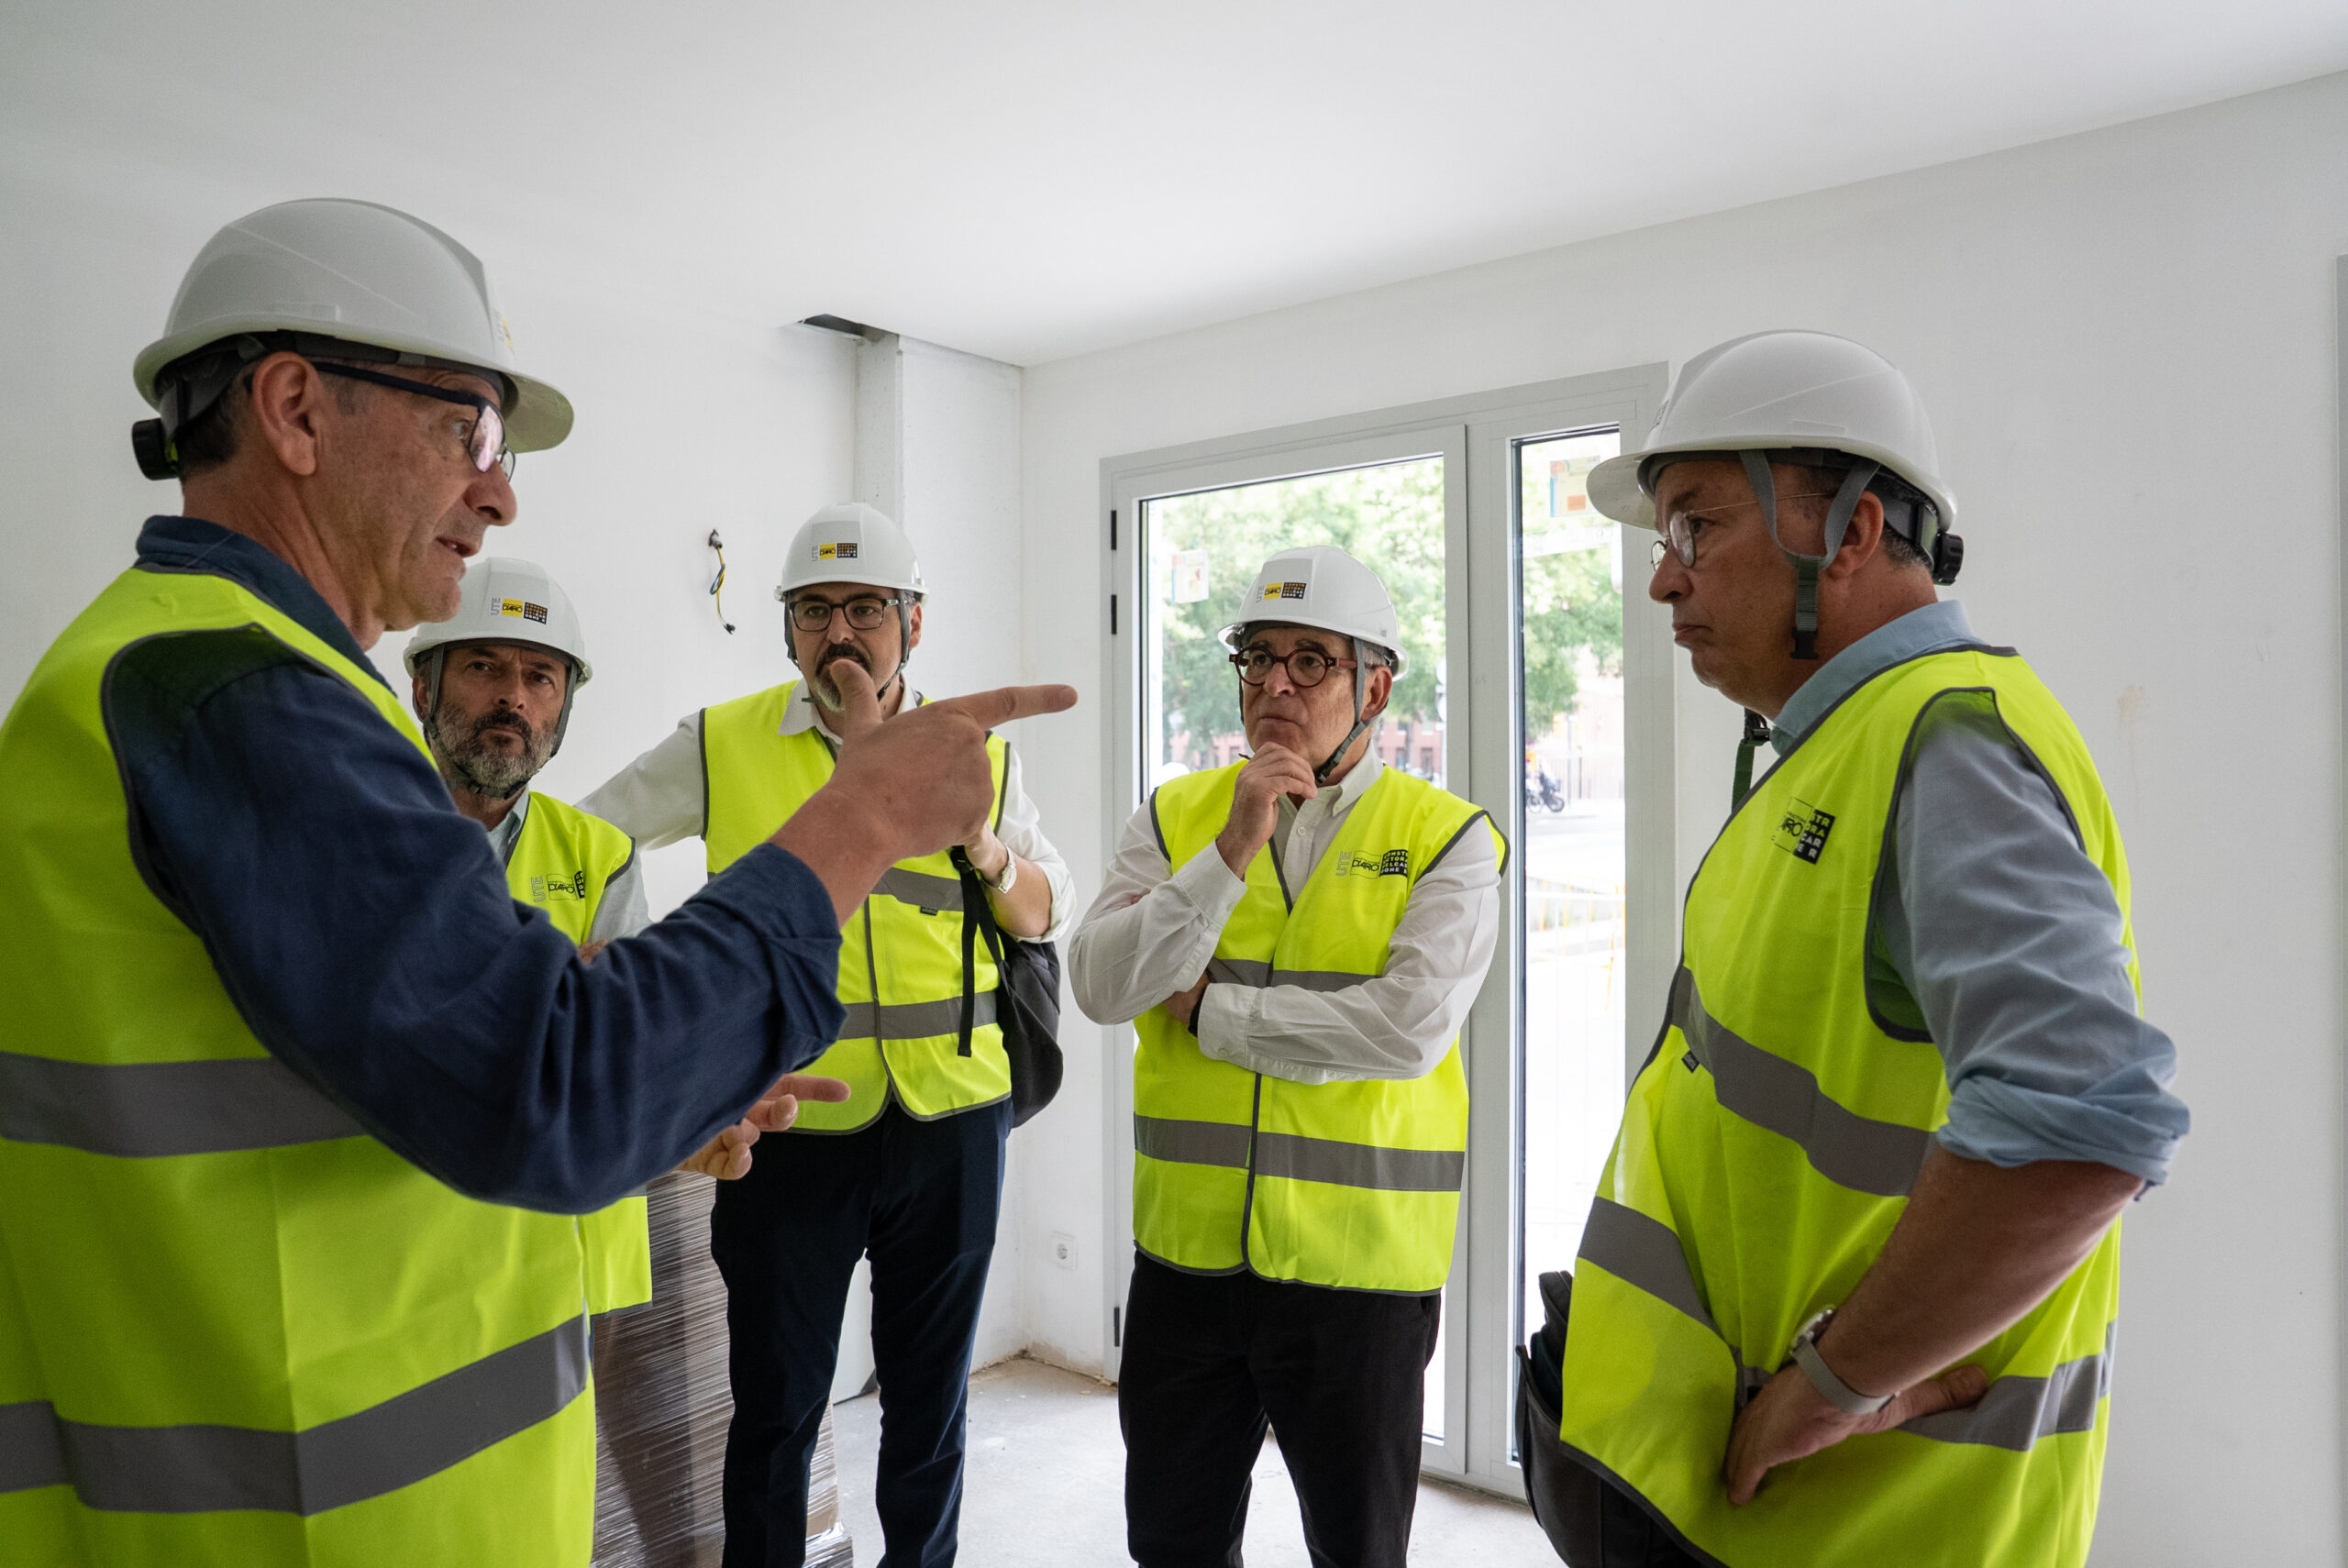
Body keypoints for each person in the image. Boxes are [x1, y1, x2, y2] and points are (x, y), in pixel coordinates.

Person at [0, 197, 1071, 1567]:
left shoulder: (237, 678)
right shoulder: (233, 695)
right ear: (295, 410)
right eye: (471, 434)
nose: (501, 494)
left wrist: (671, 1090)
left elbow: (413, 1073)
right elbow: (550, 1085)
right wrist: (859, 817)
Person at [1554, 330, 2189, 1566]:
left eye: (1694, 528)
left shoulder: (1944, 744)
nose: (1664, 581)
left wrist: (1834, 1382)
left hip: (1878, 1519)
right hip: (1768, 1503)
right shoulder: (1844, 743)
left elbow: (2078, 1132)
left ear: (1847, 530)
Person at [581, 501, 1073, 1568]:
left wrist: (983, 844)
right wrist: (625, 986)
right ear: (786, 626)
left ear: (913, 622)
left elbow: (1042, 911)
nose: (838, 631)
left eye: (864, 607)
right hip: (786, 1131)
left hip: (952, 1121)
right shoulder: (721, 743)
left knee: (930, 1408)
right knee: (776, 1407)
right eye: (813, 609)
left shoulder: (972, 753)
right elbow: (587, 840)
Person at [1069, 545, 1504, 1568]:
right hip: (1184, 1265)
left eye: (1311, 661)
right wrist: (1227, 851)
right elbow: (1099, 985)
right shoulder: (1175, 818)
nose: (1275, 684)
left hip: (1360, 1278)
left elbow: (1404, 1029)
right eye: (1258, 658)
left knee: (1357, 1550)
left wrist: (1209, 1013)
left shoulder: (1447, 838)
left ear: (1374, 688)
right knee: (1172, 1543)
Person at [404, 556, 776, 1563]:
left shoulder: (598, 851)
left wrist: (693, 1115)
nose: (513, 699)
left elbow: (626, 1049)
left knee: (560, 1497)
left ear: (564, 707)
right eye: (483, 667)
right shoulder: (370, 838)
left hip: (568, 1250)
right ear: (424, 686)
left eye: (540, 677)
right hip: (411, 1247)